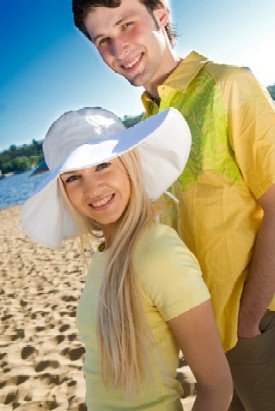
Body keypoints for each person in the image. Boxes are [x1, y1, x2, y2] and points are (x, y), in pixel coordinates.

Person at [71, 1, 275, 410]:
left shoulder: (228, 84)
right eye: (103, 40)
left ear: (161, 14)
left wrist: (249, 320)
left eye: (127, 24)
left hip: (252, 322)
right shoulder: (144, 127)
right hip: (200, 335)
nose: (119, 49)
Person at [21, 107, 232, 410]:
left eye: (103, 165)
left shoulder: (159, 253)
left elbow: (217, 386)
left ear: (129, 164)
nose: (92, 188)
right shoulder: (106, 255)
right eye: (73, 178)